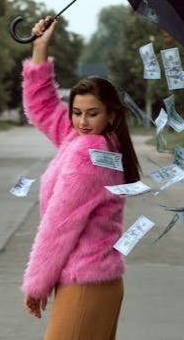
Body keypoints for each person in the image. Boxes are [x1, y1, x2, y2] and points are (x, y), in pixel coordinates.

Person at [21, 17, 141, 340]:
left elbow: (60, 225)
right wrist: (40, 49)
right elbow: (43, 106)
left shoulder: (88, 154)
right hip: (93, 281)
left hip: (85, 282)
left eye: (93, 113)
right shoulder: (85, 141)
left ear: (111, 114)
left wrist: (37, 283)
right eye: (76, 112)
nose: (82, 121)